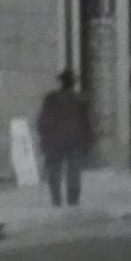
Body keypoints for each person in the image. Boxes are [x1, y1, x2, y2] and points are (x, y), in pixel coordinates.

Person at [36, 69, 93, 208]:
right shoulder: (80, 99)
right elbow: (87, 124)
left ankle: (56, 200)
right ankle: (73, 200)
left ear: (61, 82)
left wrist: (45, 138)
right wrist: (88, 142)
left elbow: (43, 120)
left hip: (55, 141)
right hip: (75, 141)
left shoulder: (51, 98)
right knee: (74, 172)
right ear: (73, 83)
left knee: (54, 172)